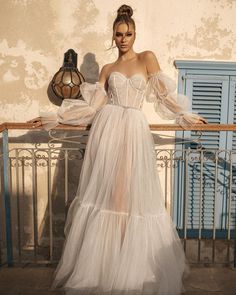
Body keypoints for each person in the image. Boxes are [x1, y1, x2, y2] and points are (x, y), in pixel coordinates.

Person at [31, 4, 206, 295]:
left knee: (131, 197)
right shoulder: (107, 69)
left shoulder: (146, 58)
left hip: (133, 132)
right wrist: (53, 117)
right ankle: (107, 265)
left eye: (127, 33)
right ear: (112, 36)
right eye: (118, 34)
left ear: (134, 33)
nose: (123, 38)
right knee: (110, 196)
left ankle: (131, 265)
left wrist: (186, 116)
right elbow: (91, 107)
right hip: (107, 131)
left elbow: (165, 96)